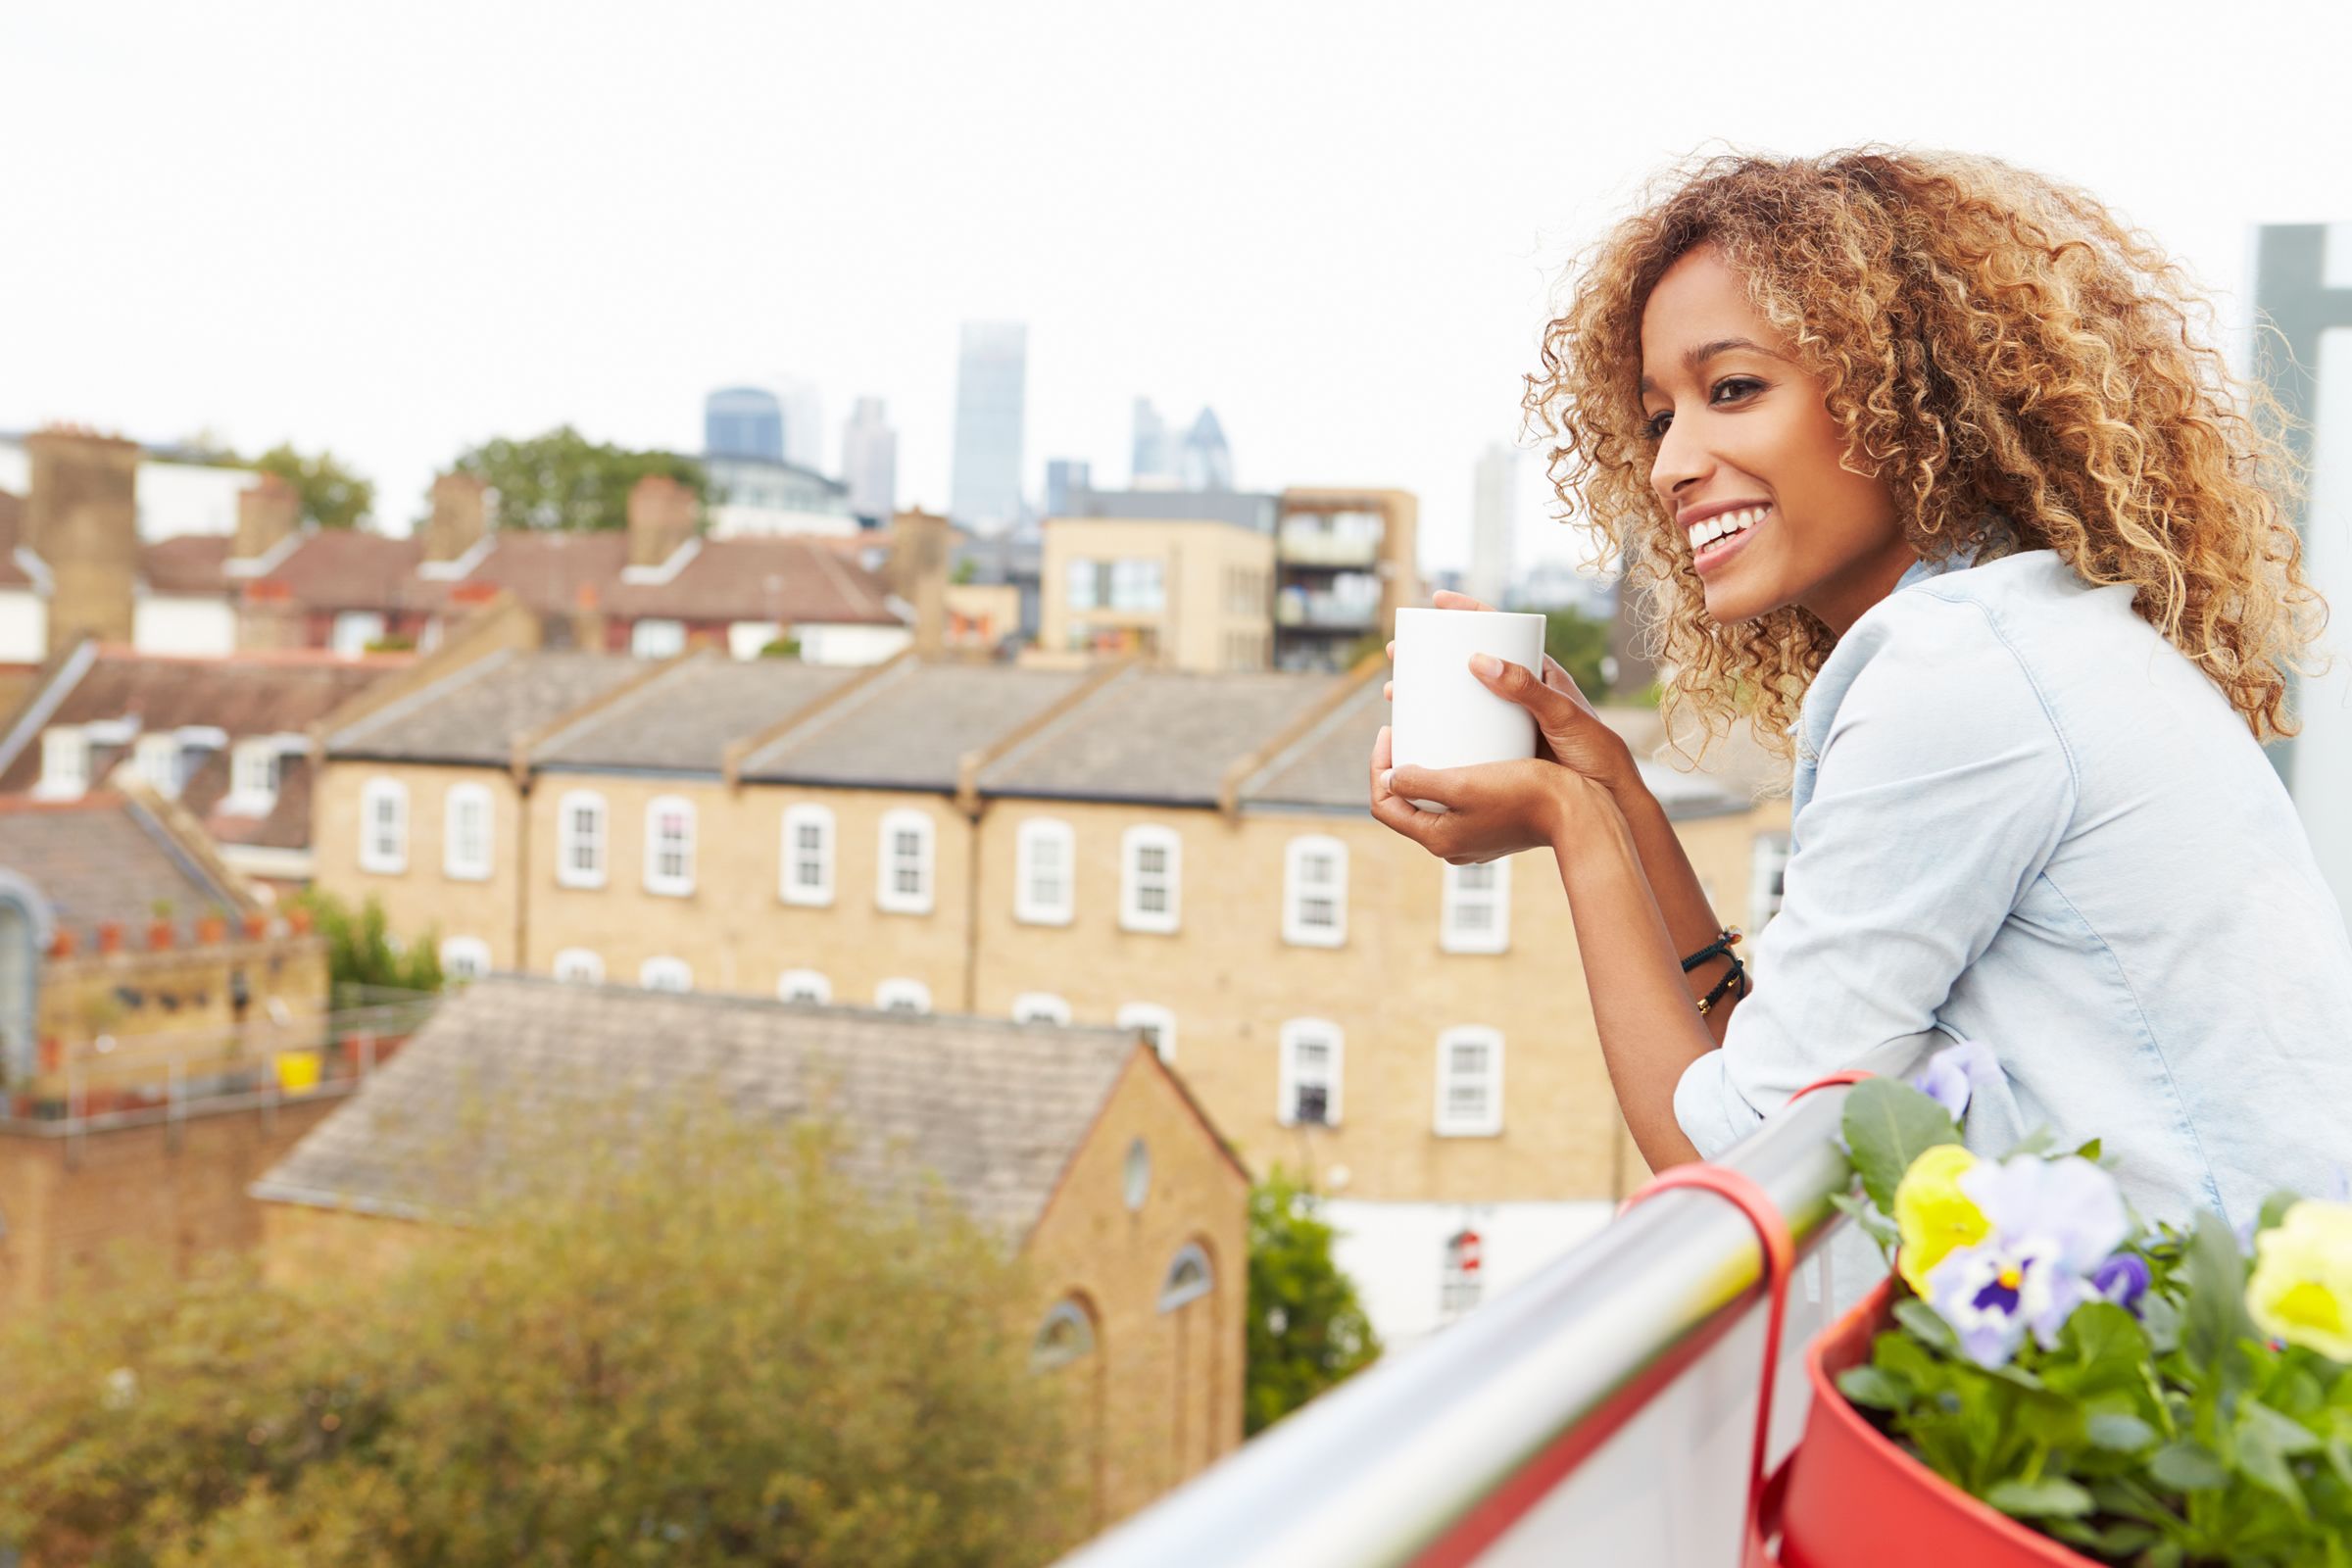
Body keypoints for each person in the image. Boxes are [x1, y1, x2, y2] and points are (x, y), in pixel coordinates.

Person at [1368, 148, 2351, 1227]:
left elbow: (1742, 1169)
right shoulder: (2022, 630)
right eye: (1658, 418)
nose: (1670, 464)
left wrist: (1570, 823)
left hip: (2209, 1372)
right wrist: (1619, 794)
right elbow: (1794, 1079)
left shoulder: (1957, 672)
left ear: (1906, 393)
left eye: (1732, 389)